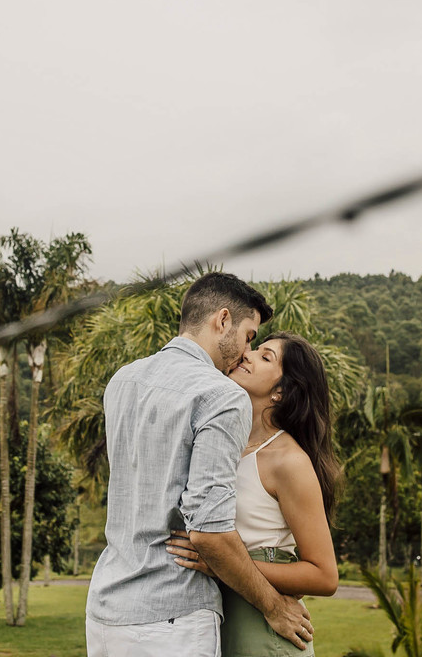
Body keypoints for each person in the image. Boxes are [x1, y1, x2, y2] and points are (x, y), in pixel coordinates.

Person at [86, 273, 315, 656]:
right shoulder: (221, 396)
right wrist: (274, 607)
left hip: (106, 614)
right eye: (248, 337)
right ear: (222, 320)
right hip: (172, 615)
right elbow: (209, 533)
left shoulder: (122, 381)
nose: (245, 353)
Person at [165, 331, 340, 656]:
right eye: (255, 348)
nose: (247, 354)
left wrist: (222, 563)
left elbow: (325, 576)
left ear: (281, 392)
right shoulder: (221, 444)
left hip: (263, 628)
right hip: (215, 617)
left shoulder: (287, 460)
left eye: (265, 356)